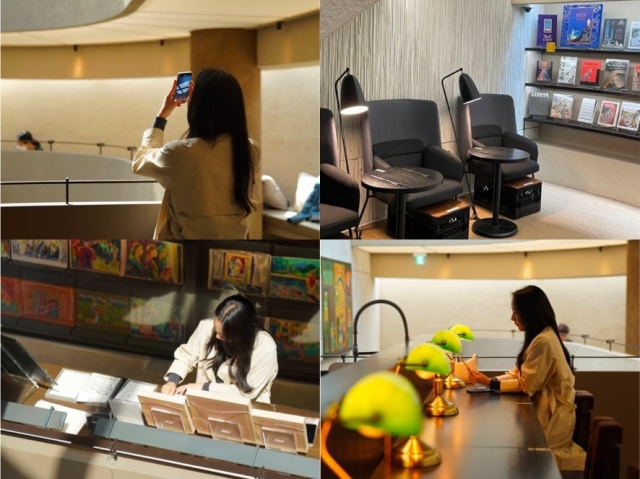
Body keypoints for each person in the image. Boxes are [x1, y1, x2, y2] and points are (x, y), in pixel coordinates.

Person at [467, 285, 586, 471]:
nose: (512, 318)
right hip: (546, 412)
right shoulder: (539, 337)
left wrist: (489, 382)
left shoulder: (544, 341)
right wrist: (484, 379)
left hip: (553, 420)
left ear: (529, 312)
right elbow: (517, 373)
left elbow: (527, 384)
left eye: (516, 312)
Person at [132, 69, 258, 240]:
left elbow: (140, 162)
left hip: (186, 252)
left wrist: (162, 116)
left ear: (199, 106)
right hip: (234, 251)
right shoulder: (250, 150)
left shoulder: (180, 153)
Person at [161, 295, 278, 403]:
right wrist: (172, 381)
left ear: (241, 334)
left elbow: (245, 394)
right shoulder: (206, 327)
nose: (217, 336)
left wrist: (203, 387)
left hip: (242, 412)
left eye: (222, 335)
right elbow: (186, 355)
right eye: (216, 331)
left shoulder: (265, 348)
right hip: (203, 406)